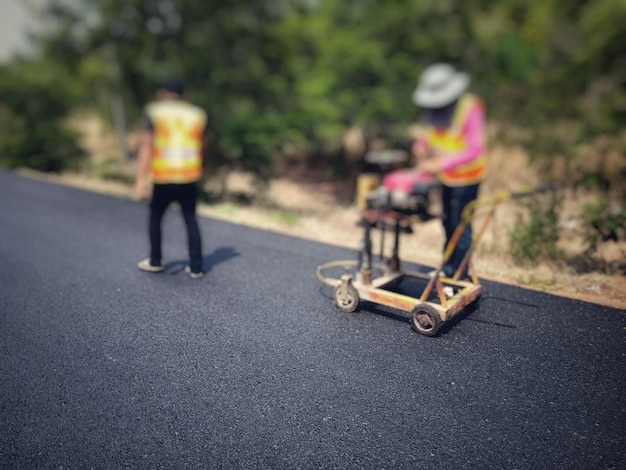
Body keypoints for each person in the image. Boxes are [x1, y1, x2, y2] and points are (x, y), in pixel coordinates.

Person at [411, 63, 487, 279]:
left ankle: (459, 275)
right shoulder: (437, 111)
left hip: (467, 179)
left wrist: (439, 164)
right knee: (448, 224)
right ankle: (449, 268)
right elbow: (433, 133)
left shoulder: (471, 107)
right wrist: (421, 144)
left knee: (461, 228)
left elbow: (475, 148)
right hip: (446, 178)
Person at [135, 79, 207, 278]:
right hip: (189, 175)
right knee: (190, 219)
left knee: (156, 216)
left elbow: (147, 145)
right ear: (184, 95)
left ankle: (155, 260)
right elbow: (203, 144)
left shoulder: (155, 111)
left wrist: (141, 179)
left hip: (163, 175)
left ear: (162, 93)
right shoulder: (197, 113)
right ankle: (196, 267)